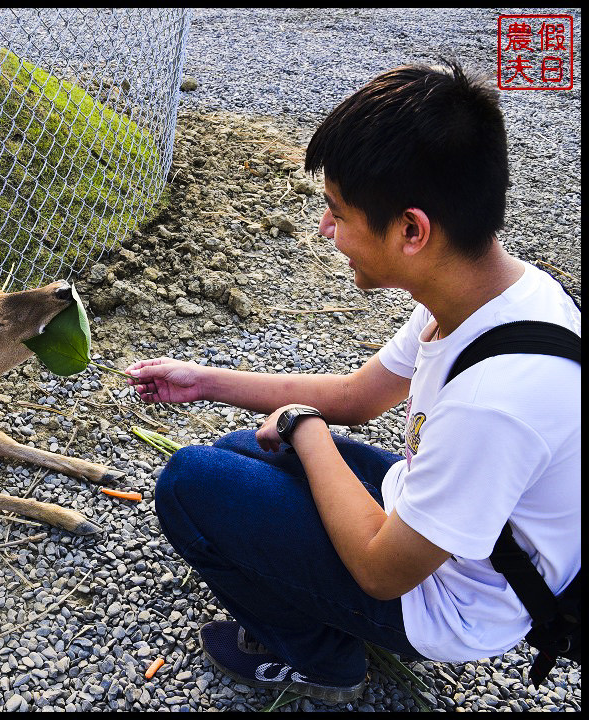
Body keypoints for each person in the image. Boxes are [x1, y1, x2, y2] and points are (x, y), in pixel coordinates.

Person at [126, 61, 580, 703]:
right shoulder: (488, 292)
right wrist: (203, 381)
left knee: (189, 485)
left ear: (412, 230)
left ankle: (322, 662)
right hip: (449, 532)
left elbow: (380, 571)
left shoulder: (496, 402)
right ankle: (313, 611)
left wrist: (303, 427)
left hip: (457, 604)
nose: (325, 230)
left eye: (338, 213)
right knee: (237, 455)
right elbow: (357, 397)